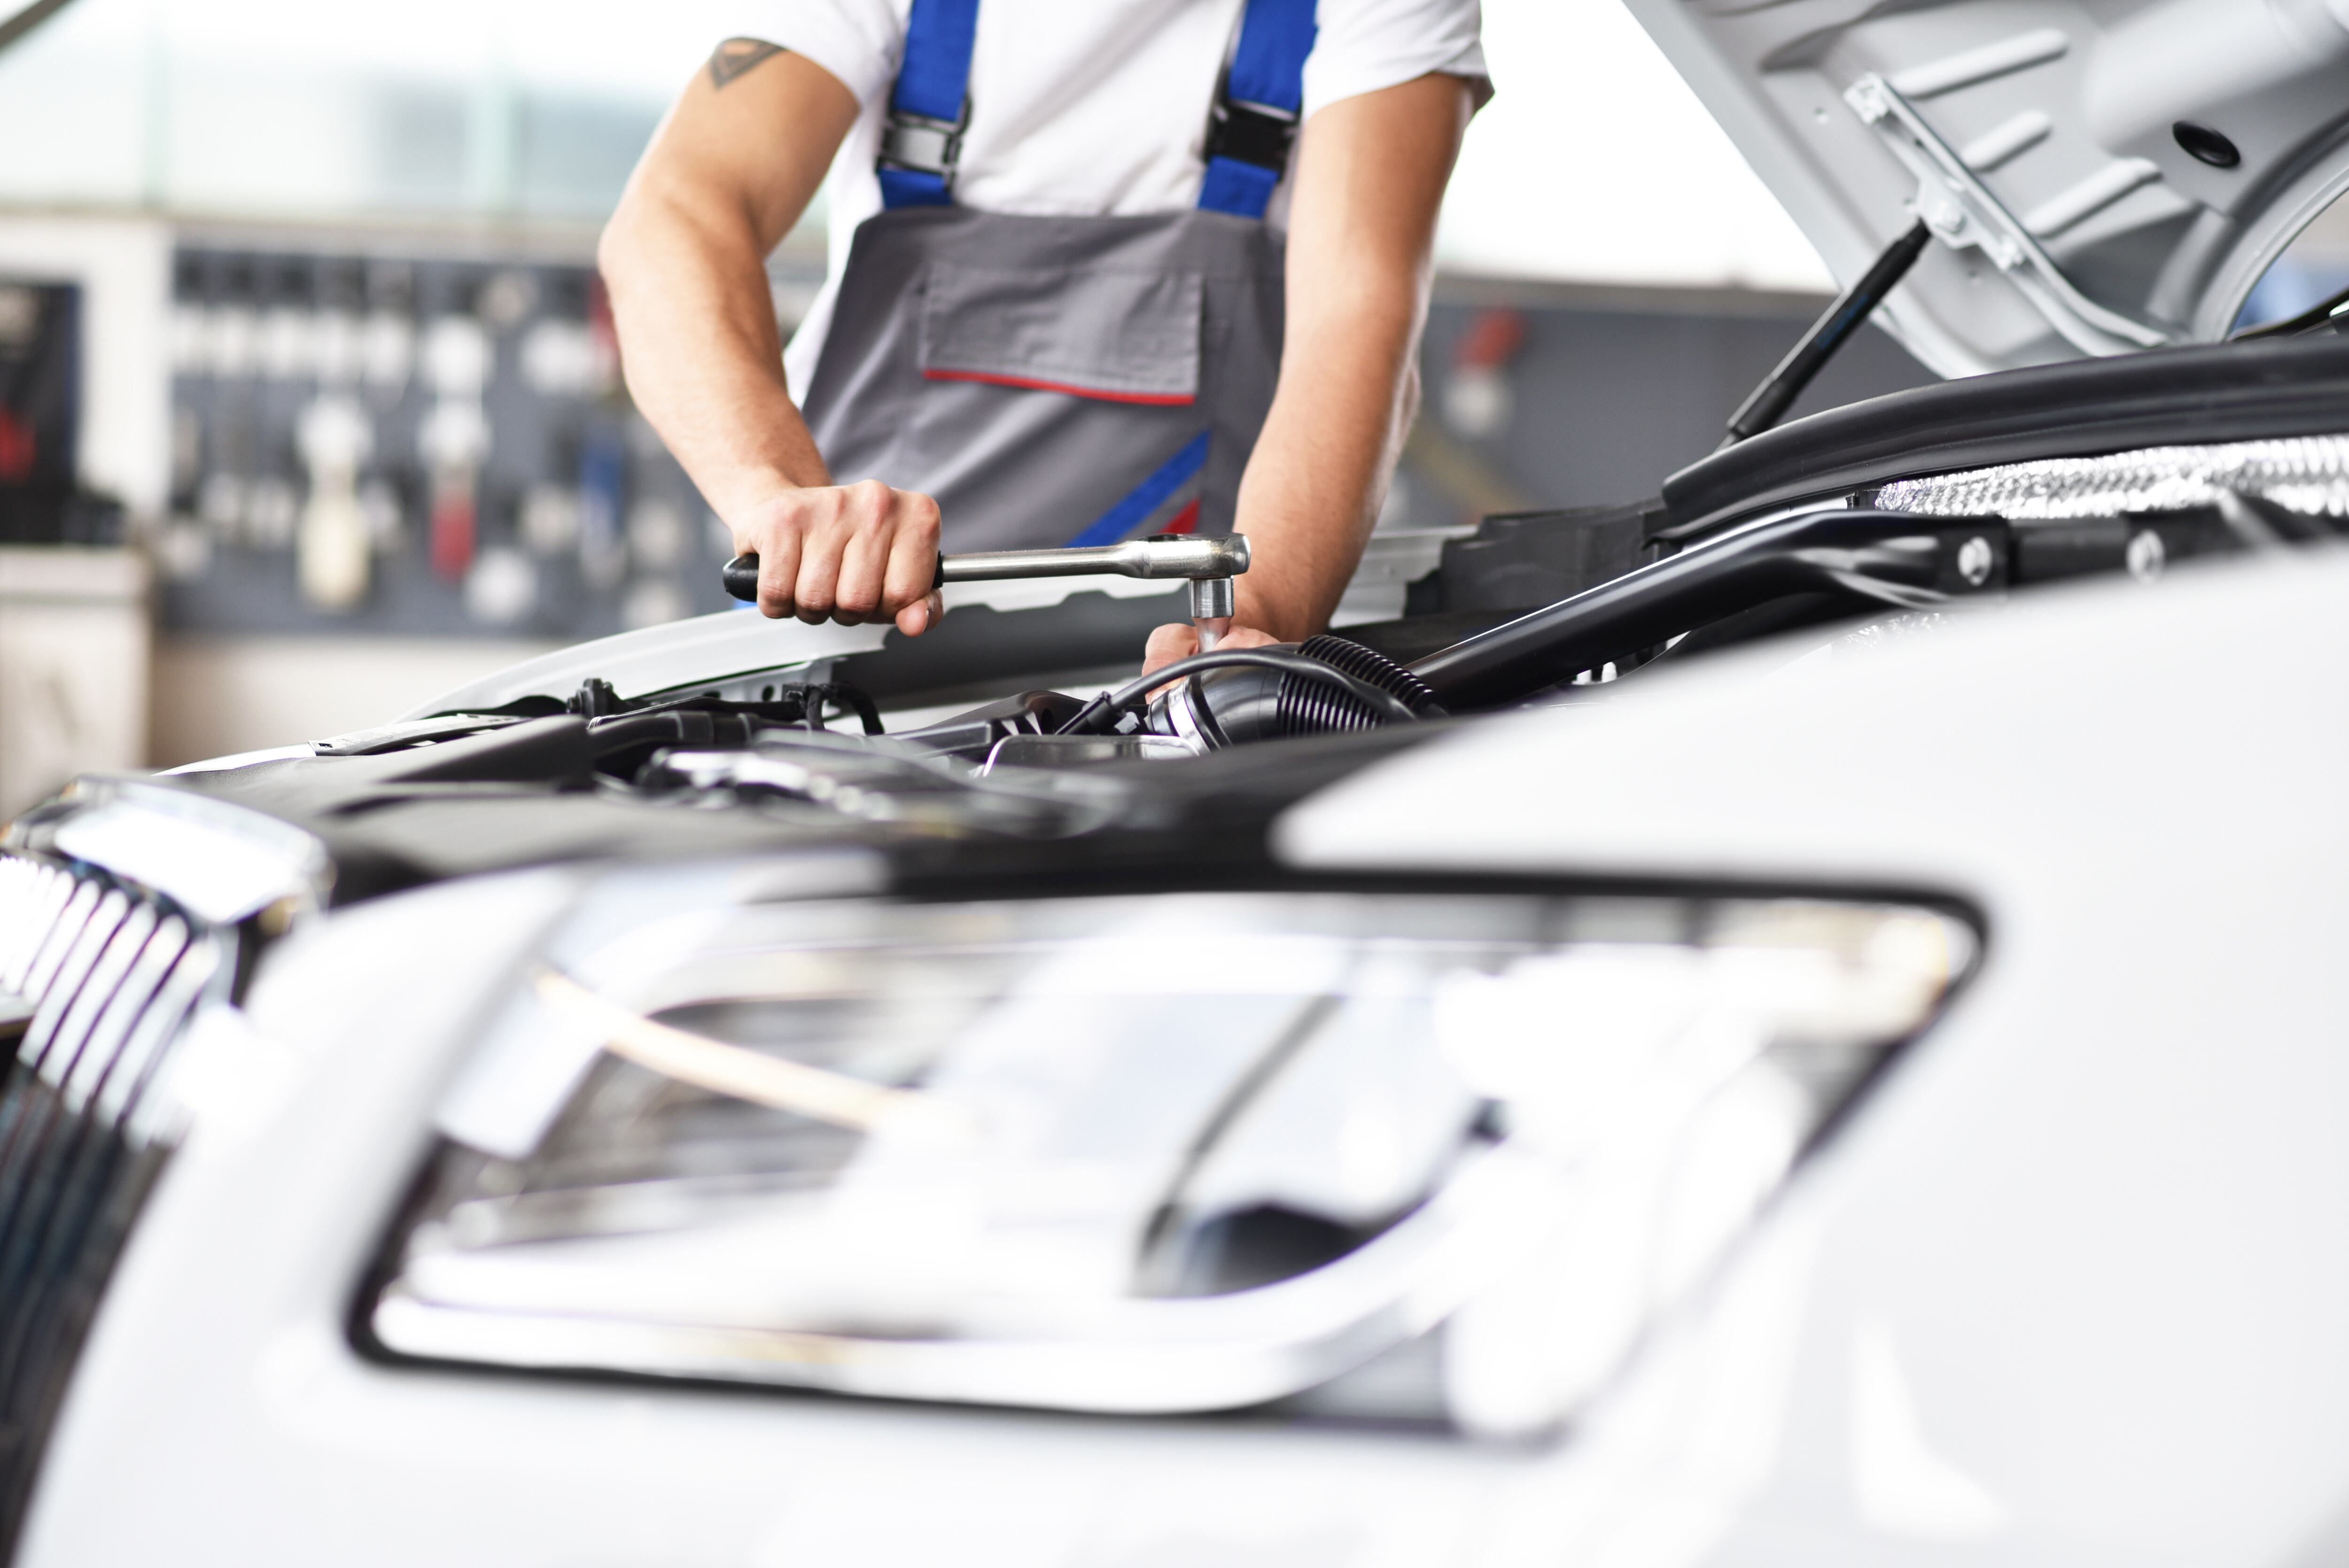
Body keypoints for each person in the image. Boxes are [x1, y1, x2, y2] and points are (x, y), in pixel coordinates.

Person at [600, 0, 1486, 671]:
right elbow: (676, 216)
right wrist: (777, 501)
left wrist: (1248, 638)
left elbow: (1357, 313)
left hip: (1178, 698)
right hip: (848, 675)